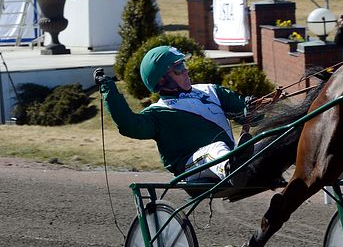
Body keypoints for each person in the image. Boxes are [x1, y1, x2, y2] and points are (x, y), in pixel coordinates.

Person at [94, 45, 264, 185]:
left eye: (184, 64)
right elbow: (129, 125)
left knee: (267, 142)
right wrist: (109, 90)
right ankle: (233, 170)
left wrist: (254, 107)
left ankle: (251, 168)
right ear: (161, 80)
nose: (186, 70)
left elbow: (249, 115)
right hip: (192, 169)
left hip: (227, 158)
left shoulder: (211, 90)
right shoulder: (158, 113)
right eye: (179, 67)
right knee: (215, 149)